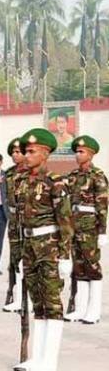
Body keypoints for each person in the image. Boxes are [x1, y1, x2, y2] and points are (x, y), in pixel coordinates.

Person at [12, 128, 74, 371]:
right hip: (30, 246)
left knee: (52, 303)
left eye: (31, 151)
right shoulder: (22, 182)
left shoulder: (54, 182)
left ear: (45, 153)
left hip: (49, 248)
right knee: (37, 301)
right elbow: (18, 220)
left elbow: (65, 220)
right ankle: (37, 358)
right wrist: (19, 253)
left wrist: (65, 256)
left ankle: (50, 361)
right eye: (25, 151)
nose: (26, 156)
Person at [64, 135, 108, 324]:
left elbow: (103, 204)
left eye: (81, 152)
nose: (77, 154)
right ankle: (80, 309)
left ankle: (94, 310)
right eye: (76, 151)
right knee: (79, 267)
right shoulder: (73, 176)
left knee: (92, 266)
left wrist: (102, 230)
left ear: (90, 154)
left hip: (90, 226)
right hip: (75, 226)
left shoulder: (97, 175)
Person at [3, 137, 28, 313]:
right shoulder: (9, 173)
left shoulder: (31, 173)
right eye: (13, 152)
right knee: (15, 261)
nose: (14, 155)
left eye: (18, 152)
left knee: (28, 261)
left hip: (28, 221)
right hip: (14, 222)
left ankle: (29, 300)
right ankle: (17, 297)